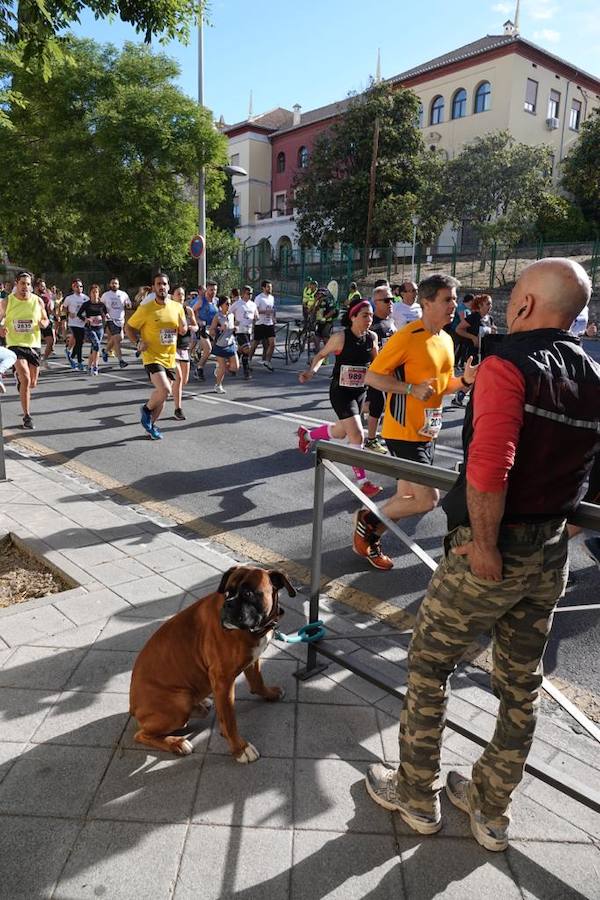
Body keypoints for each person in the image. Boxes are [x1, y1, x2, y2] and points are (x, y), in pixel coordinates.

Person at [364, 258, 600, 853]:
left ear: (523, 305)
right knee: (520, 684)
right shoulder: (594, 376)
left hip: (489, 552)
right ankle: (491, 809)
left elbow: (489, 467)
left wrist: (488, 546)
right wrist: (562, 530)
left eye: (512, 295)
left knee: (429, 667)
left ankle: (416, 794)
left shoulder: (507, 364)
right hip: (549, 555)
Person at [352, 274, 477, 570]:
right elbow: (371, 376)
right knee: (426, 499)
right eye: (447, 299)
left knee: (405, 495)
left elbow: (442, 386)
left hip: (428, 430)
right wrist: (410, 389)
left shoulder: (446, 339)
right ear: (426, 303)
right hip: (403, 430)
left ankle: (368, 538)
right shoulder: (408, 336)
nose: (454, 305)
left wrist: (464, 381)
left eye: (455, 299)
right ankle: (368, 519)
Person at [296, 298, 382, 499]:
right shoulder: (340, 338)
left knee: (342, 431)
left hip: (360, 391)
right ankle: (363, 482)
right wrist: (312, 372)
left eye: (371, 315)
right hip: (341, 391)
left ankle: (306, 436)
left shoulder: (372, 337)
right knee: (357, 436)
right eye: (365, 315)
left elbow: (377, 364)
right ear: (353, 317)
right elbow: (321, 355)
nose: (369, 319)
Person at [125, 273, 187, 440]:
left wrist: (184, 327)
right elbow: (129, 327)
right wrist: (137, 342)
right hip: (152, 356)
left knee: (163, 395)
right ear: (153, 288)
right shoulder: (146, 308)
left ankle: (150, 426)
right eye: (158, 284)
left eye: (164, 284)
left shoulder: (176, 307)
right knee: (165, 389)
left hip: (170, 357)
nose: (162, 287)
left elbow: (183, 327)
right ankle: (145, 409)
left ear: (168, 287)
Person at [0, 271, 49, 428]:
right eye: (22, 283)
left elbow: (45, 319)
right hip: (14, 344)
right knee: (26, 378)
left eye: (28, 284)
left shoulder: (38, 301)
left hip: (33, 344)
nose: (25, 287)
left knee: (32, 383)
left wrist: (44, 323)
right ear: (16, 284)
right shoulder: (7, 301)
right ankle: (27, 417)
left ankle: (21, 383)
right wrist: (1, 329)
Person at [364, 286, 397, 454]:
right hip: (375, 372)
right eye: (386, 300)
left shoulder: (390, 321)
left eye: (392, 299)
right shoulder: (372, 325)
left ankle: (352, 416)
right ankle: (371, 439)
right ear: (376, 303)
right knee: (378, 404)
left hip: (389, 372)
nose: (390, 302)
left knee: (371, 405)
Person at [452, 294, 496, 407]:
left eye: (490, 303)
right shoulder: (474, 317)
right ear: (480, 305)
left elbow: (491, 334)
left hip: (485, 351)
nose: (490, 306)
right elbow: (458, 329)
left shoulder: (489, 319)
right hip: (473, 351)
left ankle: (463, 397)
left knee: (481, 377)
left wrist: (494, 332)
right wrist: (472, 337)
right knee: (475, 376)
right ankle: (461, 397)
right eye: (488, 303)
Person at [172, 286, 198, 420]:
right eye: (178, 294)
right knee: (179, 378)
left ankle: (172, 388)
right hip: (172, 348)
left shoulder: (188, 310)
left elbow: (196, 325)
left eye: (182, 294)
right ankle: (178, 409)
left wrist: (192, 327)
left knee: (184, 380)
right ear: (173, 296)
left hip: (185, 348)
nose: (181, 296)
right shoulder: (169, 310)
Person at [209, 295, 239, 393]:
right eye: (227, 303)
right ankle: (218, 386)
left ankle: (219, 369)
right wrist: (219, 329)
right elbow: (211, 331)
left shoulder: (231, 315)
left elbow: (232, 326)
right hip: (220, 344)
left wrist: (235, 328)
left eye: (230, 303)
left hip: (230, 343)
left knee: (235, 367)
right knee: (222, 367)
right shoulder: (217, 316)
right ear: (221, 305)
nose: (229, 305)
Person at [191, 280, 219, 381]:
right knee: (208, 350)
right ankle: (199, 369)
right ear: (206, 289)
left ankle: (218, 367)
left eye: (215, 290)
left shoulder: (216, 301)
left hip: (213, 328)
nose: (213, 292)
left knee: (216, 349)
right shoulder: (201, 301)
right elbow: (191, 312)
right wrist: (198, 321)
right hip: (203, 328)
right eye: (211, 290)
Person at [77, 284, 108, 375]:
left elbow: (105, 314)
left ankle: (89, 366)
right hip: (90, 328)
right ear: (90, 293)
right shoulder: (86, 304)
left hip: (99, 328)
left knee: (94, 348)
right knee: (97, 344)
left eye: (96, 292)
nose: (95, 294)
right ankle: (95, 367)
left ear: (99, 293)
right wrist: (86, 319)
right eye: (93, 292)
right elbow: (79, 314)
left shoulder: (101, 304)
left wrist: (106, 317)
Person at [101, 277, 131, 368]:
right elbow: (101, 306)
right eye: (112, 283)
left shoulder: (123, 294)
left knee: (119, 338)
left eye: (116, 283)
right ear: (110, 285)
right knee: (117, 339)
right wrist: (105, 314)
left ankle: (105, 351)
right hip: (111, 320)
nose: (114, 285)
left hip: (120, 320)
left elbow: (128, 304)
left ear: (118, 285)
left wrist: (128, 305)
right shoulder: (106, 295)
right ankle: (121, 360)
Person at [230, 285, 258, 380]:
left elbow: (256, 315)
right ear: (243, 294)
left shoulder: (253, 304)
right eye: (248, 293)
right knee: (247, 349)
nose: (250, 295)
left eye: (251, 293)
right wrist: (233, 322)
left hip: (248, 330)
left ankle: (233, 363)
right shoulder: (238, 304)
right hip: (239, 330)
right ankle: (246, 371)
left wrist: (255, 319)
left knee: (243, 350)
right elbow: (228, 313)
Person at [251, 280, 277, 372]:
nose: (270, 288)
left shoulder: (272, 298)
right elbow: (255, 311)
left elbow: (273, 309)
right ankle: (249, 360)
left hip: (269, 323)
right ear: (263, 288)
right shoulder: (259, 298)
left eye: (271, 287)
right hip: (260, 323)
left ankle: (267, 361)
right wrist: (265, 312)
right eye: (268, 287)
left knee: (272, 344)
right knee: (255, 344)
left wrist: (274, 318)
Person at [63, 278, 88, 371]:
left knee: (80, 341)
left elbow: (89, 308)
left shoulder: (85, 298)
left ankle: (71, 355)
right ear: (73, 287)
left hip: (82, 322)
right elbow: (64, 308)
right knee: (79, 342)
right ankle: (79, 363)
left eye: (81, 286)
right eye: (77, 286)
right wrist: (69, 313)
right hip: (73, 323)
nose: (79, 288)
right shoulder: (69, 298)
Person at [34, 278, 55, 369]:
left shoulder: (46, 297)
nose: (44, 287)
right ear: (36, 287)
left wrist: (52, 309)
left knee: (51, 341)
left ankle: (44, 359)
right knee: (36, 344)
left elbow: (49, 310)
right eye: (42, 286)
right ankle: (35, 363)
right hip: (34, 322)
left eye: (44, 286)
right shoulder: (32, 297)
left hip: (45, 321)